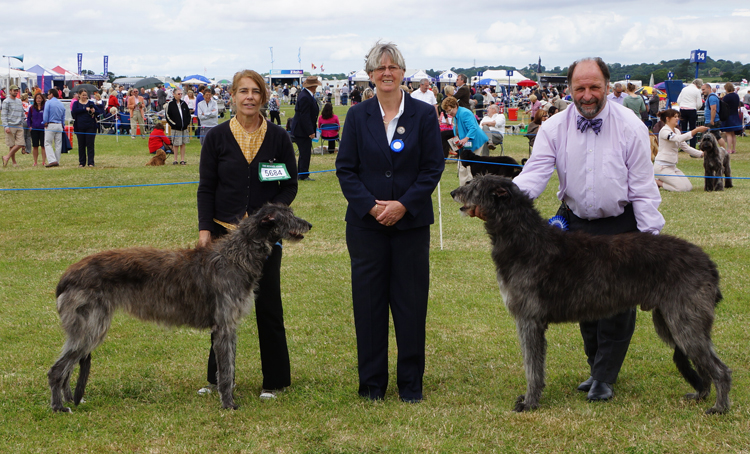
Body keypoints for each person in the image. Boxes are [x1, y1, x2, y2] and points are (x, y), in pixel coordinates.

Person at [513, 57, 664, 403]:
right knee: (583, 302)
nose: (587, 95)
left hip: (621, 226)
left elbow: (643, 188)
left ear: (608, 87)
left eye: (594, 87)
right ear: (569, 90)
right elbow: (534, 176)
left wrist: (651, 241)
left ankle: (605, 376)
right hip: (575, 224)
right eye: (580, 88)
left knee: (617, 305)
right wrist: (502, 199)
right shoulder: (553, 128)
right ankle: (595, 367)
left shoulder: (631, 126)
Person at [336, 41, 444, 403]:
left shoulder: (424, 115)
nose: (386, 72)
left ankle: (411, 385)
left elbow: (433, 168)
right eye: (379, 68)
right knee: (368, 306)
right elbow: (345, 170)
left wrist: (403, 204)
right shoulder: (356, 116)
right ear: (370, 75)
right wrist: (370, 206)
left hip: (410, 226)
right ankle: (371, 386)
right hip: (366, 228)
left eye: (393, 67)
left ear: (402, 72)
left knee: (411, 305)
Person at [197, 69, 298, 401]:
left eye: (256, 91)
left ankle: (276, 379)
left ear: (264, 97)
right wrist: (204, 231)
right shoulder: (216, 138)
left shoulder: (279, 138)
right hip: (225, 239)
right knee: (220, 309)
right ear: (233, 96)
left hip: (265, 240)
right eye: (243, 91)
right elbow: (206, 188)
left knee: (269, 305)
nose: (250, 96)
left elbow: (289, 184)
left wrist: (272, 212)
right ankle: (217, 378)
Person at [653, 109, 708, 192]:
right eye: (675, 117)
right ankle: (657, 182)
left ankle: (664, 180)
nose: (677, 118)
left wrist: (701, 154)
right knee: (681, 189)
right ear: (667, 119)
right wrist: (695, 130)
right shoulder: (664, 131)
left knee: (688, 187)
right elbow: (677, 139)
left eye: (678, 116)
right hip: (662, 167)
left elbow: (685, 147)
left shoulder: (677, 131)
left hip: (672, 167)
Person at [441, 95, 488, 185]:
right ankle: (464, 189)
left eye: (449, 110)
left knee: (469, 167)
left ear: (455, 106)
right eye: (447, 112)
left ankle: (469, 189)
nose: (449, 113)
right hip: (465, 143)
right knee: (462, 167)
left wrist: (466, 138)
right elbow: (458, 130)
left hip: (475, 141)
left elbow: (473, 128)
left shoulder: (464, 113)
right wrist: (457, 142)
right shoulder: (456, 115)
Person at [291, 76, 321, 181]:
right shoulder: (305, 97)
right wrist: (310, 131)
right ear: (313, 86)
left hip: (304, 129)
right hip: (302, 131)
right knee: (305, 153)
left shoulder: (308, 95)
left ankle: (303, 173)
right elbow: (305, 116)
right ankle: (303, 174)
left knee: (306, 152)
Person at [71, 89, 103, 167]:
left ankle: (91, 162)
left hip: (90, 126)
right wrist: (85, 109)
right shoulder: (76, 103)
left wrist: (93, 110)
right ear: (79, 95)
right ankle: (82, 162)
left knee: (90, 144)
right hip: (80, 127)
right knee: (81, 145)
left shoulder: (91, 103)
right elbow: (74, 111)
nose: (84, 96)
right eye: (83, 95)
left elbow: (98, 112)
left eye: (85, 95)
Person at [165, 87, 192, 165]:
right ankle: (175, 159)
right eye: (178, 94)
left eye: (181, 94)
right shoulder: (170, 104)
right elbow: (167, 116)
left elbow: (188, 115)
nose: (180, 95)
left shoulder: (184, 104)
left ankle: (182, 160)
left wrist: (186, 123)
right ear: (174, 94)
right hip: (175, 128)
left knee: (183, 144)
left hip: (184, 128)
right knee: (176, 144)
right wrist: (174, 124)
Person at [2, 85, 25, 168]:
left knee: (20, 143)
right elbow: (4, 115)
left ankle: (7, 157)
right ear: (10, 91)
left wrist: (23, 120)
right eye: (14, 90)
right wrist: (6, 126)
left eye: (17, 91)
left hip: (19, 125)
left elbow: (22, 113)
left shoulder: (19, 101)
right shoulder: (6, 101)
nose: (16, 92)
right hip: (10, 125)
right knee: (11, 145)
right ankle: (14, 162)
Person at [676, 79, 703, 148]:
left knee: (683, 129)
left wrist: (682, 105)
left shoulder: (684, 89)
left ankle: (683, 146)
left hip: (682, 109)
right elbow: (700, 104)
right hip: (692, 110)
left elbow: (678, 100)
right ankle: (692, 146)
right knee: (693, 129)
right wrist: (695, 108)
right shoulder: (697, 91)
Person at [42, 88, 66, 167]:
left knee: (47, 143)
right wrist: (63, 124)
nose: (47, 96)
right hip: (59, 125)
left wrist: (44, 122)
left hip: (51, 124)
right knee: (58, 144)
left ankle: (52, 160)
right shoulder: (61, 103)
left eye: (48, 94)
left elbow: (45, 115)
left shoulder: (48, 102)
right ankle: (57, 160)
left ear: (51, 94)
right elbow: (63, 115)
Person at [702, 83, 727, 148]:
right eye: (702, 90)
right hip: (711, 120)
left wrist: (712, 120)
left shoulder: (712, 97)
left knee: (716, 136)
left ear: (709, 88)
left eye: (704, 89)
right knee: (716, 136)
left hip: (712, 120)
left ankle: (724, 149)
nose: (703, 91)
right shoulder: (711, 97)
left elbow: (713, 109)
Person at [722, 82, 742, 154]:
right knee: (733, 133)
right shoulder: (736, 95)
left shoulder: (727, 97)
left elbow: (723, 105)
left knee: (728, 133)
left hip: (728, 115)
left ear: (726, 88)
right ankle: (733, 149)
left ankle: (729, 149)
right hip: (735, 115)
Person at [27, 92, 47, 166]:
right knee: (35, 146)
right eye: (37, 98)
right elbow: (28, 118)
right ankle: (35, 162)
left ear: (42, 99)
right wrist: (30, 126)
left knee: (43, 146)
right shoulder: (32, 108)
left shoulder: (45, 107)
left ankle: (43, 161)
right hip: (34, 129)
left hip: (42, 128)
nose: (38, 100)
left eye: (39, 98)